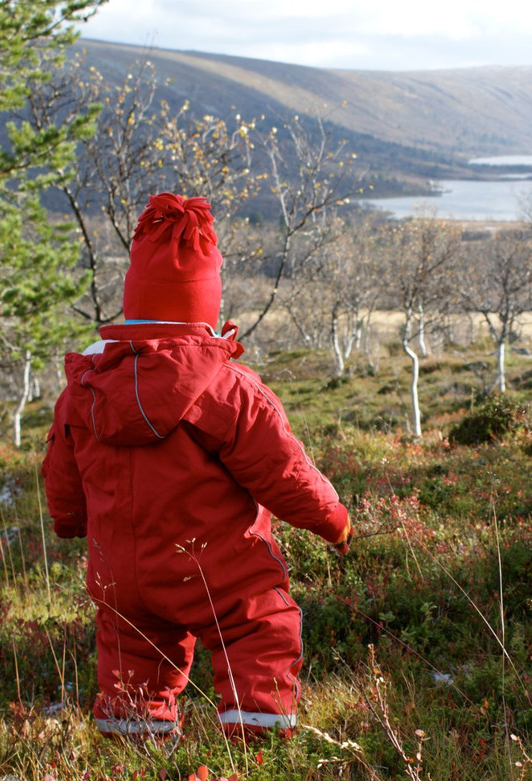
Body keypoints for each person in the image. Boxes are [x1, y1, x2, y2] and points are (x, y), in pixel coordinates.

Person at [41, 192, 352, 741]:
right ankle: (256, 746)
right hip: (214, 569)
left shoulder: (84, 391)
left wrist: (70, 522)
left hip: (120, 574)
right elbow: (284, 471)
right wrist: (333, 520)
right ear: (205, 305)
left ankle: (133, 750)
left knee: (133, 655)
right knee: (258, 627)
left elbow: (61, 474)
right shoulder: (229, 390)